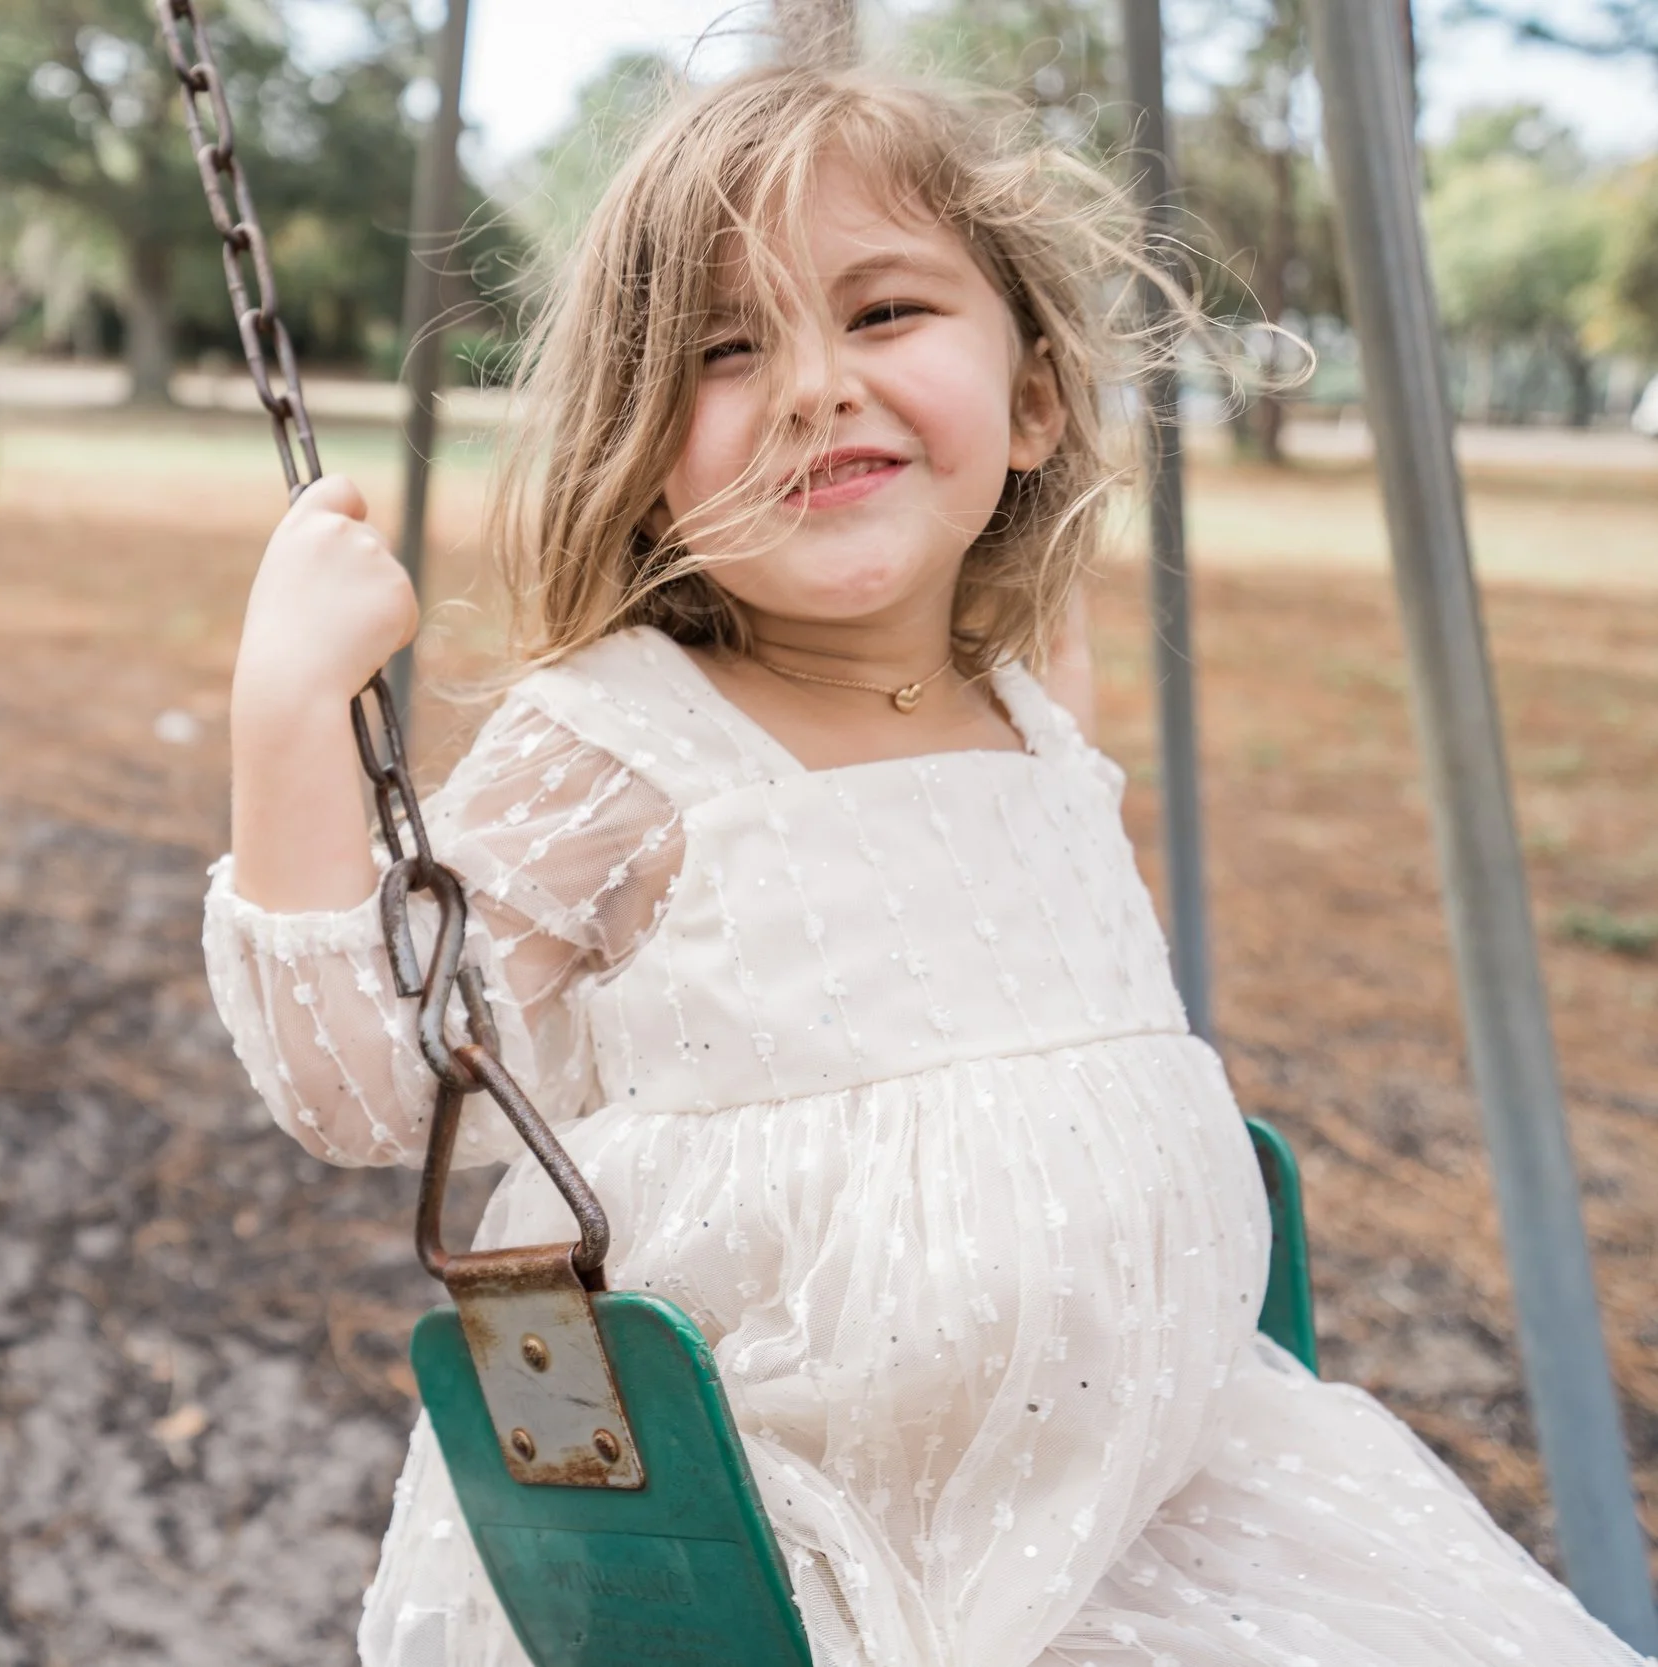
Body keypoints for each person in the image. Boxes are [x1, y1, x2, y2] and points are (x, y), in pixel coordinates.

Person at [201, 65, 1649, 1667]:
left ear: (1032, 400)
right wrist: (289, 716)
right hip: (807, 1553)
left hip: (1175, 1494)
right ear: (643, 438)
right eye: (724, 347)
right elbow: (368, 1091)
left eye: (885, 311)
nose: (817, 384)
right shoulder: (624, 746)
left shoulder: (1032, 710)